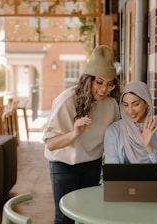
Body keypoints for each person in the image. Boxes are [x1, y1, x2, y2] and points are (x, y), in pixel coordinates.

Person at [43, 45, 121, 224]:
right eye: (99, 82)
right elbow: (50, 144)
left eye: (110, 84)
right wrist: (74, 134)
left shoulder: (111, 105)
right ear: (88, 80)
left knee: (88, 215)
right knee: (64, 218)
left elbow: (115, 137)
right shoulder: (67, 100)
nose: (104, 89)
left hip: (92, 164)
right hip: (64, 164)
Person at [104, 80, 157, 184]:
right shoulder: (113, 131)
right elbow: (112, 175)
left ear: (147, 103)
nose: (130, 111)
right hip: (123, 193)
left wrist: (149, 148)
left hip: (155, 193)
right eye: (125, 105)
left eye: (136, 104)